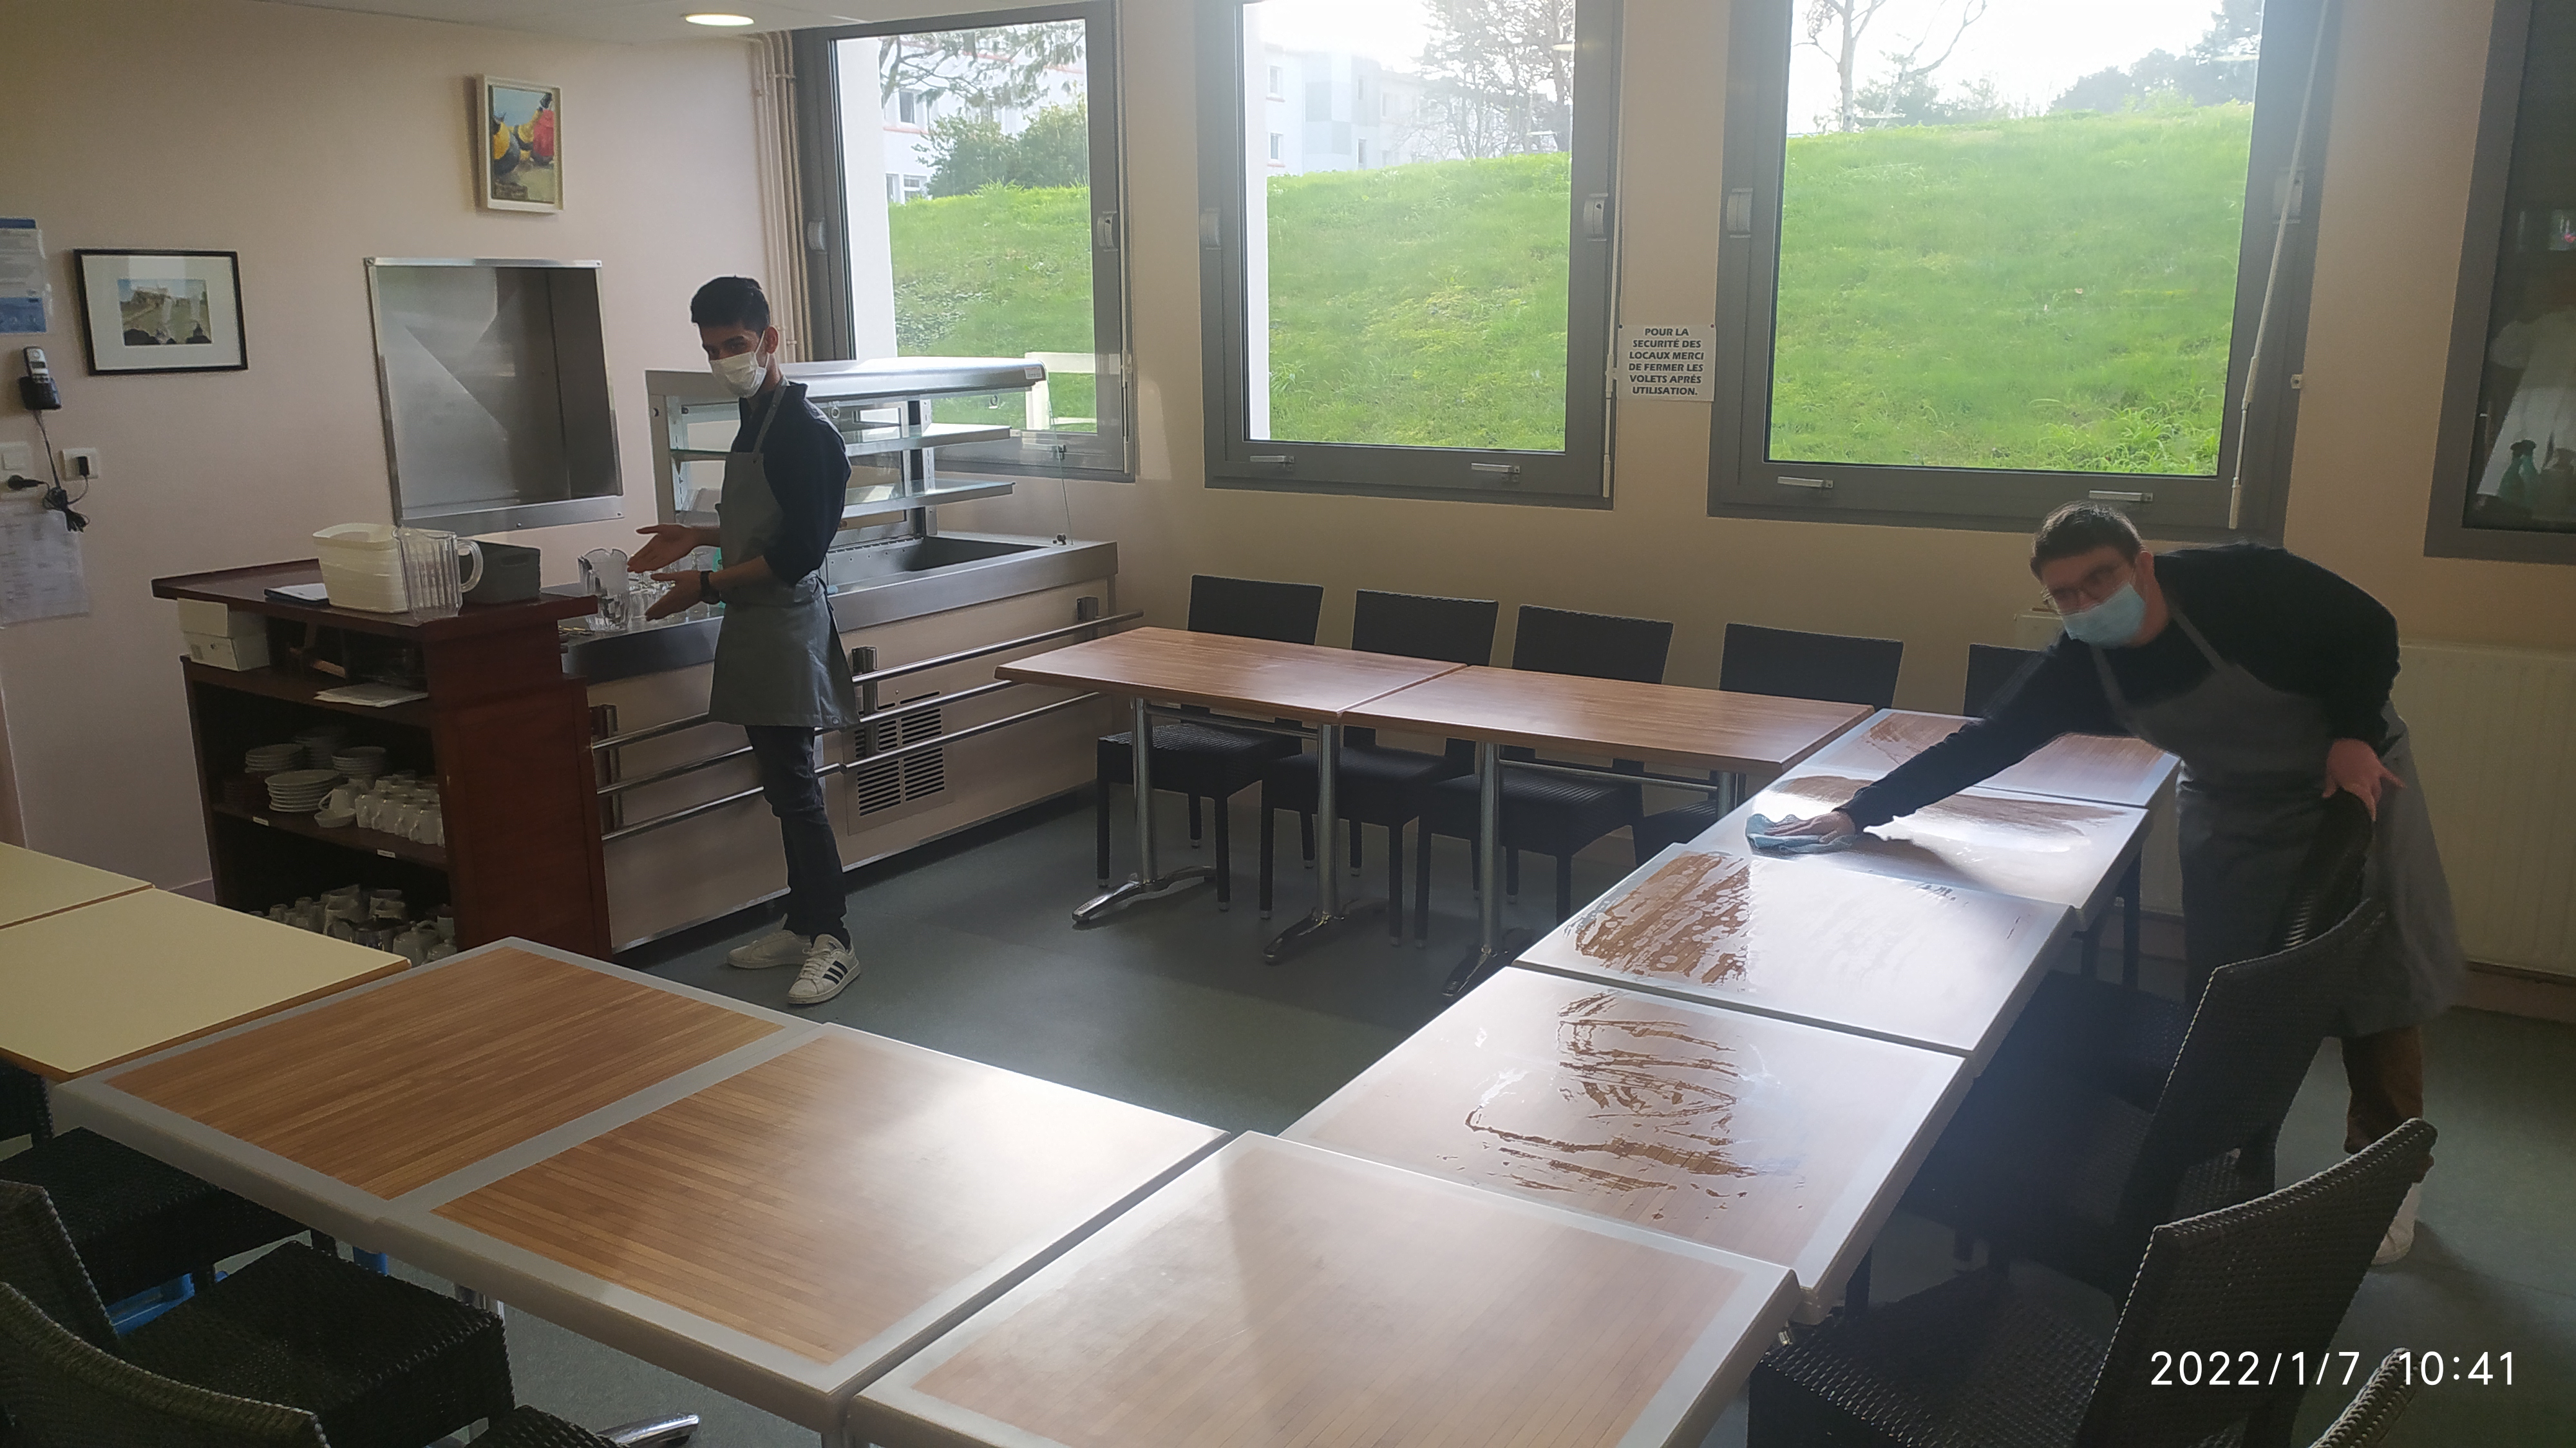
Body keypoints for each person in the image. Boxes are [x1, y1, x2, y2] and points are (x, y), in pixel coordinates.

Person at [1774, 503, 2461, 1264]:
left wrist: (2354, 730)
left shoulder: (2242, 583)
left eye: (2099, 579)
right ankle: (2229, 1153)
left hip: (2349, 781)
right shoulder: (2081, 664)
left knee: (2377, 986)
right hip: (2233, 805)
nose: (2086, 602)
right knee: (2230, 991)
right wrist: (1858, 811)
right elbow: (1988, 741)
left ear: (2143, 564)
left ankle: (2388, 1175)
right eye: (2064, 593)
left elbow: (2367, 627)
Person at [632, 276, 861, 1007]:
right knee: (782, 787)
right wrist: (696, 534)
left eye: (735, 344)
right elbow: (765, 523)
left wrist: (705, 584)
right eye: (711, 349)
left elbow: (797, 553)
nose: (724, 359)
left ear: (770, 339)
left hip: (785, 625)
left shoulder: (805, 432)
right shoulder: (754, 419)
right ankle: (802, 923)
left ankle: (833, 938)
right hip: (756, 622)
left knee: (796, 789)